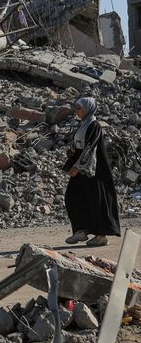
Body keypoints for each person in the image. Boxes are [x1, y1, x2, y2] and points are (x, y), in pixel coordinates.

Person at [62, 97, 120, 247]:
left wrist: (77, 166)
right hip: (83, 168)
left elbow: (90, 148)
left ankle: (101, 235)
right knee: (73, 196)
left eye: (79, 108)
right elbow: (79, 145)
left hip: (94, 170)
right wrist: (72, 152)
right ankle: (81, 231)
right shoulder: (84, 125)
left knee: (96, 200)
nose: (77, 111)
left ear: (87, 109)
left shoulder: (94, 125)